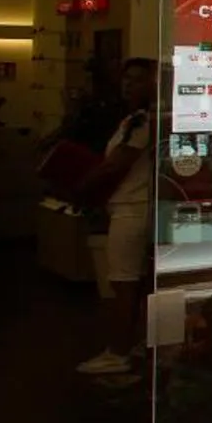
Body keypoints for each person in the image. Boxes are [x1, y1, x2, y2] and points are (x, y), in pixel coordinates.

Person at [73, 58, 158, 377]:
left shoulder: (144, 122)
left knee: (123, 283)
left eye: (137, 79)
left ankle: (119, 351)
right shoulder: (134, 120)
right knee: (132, 283)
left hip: (132, 208)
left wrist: (82, 184)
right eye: (126, 79)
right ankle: (134, 343)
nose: (128, 85)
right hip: (130, 206)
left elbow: (116, 165)